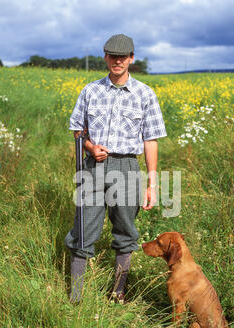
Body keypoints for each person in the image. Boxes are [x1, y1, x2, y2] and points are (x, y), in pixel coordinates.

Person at [65, 34, 167, 303]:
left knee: (125, 231)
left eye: (123, 56)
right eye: (112, 55)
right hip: (93, 168)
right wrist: (89, 146)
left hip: (127, 167)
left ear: (132, 58)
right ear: (105, 57)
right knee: (83, 231)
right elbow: (77, 130)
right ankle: (76, 297)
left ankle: (118, 292)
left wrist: (152, 185)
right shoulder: (90, 91)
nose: (118, 60)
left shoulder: (145, 94)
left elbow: (151, 140)